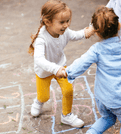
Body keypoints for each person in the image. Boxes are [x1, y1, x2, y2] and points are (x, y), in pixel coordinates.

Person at [60, 6, 121, 134]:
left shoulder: (97, 49)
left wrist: (68, 72)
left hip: (103, 98)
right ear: (119, 25)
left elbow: (82, 63)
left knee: (108, 118)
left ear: (97, 32)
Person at [28, 0, 94, 128]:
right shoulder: (41, 39)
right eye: (62, 22)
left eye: (68, 21)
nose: (66, 25)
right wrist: (55, 68)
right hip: (45, 71)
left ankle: (66, 116)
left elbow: (75, 35)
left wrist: (85, 32)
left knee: (68, 89)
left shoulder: (65, 31)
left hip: (60, 67)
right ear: (48, 22)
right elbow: (39, 60)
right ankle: (38, 101)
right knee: (44, 97)